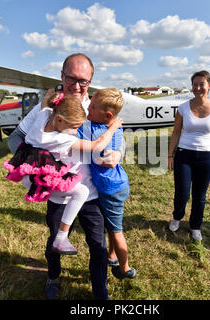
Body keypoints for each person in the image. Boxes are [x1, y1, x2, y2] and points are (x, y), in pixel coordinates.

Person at [7, 53, 122, 300]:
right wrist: (35, 163)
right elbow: (15, 137)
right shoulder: (50, 108)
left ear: (91, 80)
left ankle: (101, 292)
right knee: (55, 241)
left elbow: (117, 138)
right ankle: (53, 277)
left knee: (98, 246)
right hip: (59, 193)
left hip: (90, 192)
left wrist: (118, 154)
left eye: (84, 81)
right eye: (72, 79)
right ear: (62, 76)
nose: (78, 86)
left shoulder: (97, 107)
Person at [4, 93, 122, 256]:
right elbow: (97, 146)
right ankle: (61, 238)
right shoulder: (60, 139)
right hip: (38, 180)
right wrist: (113, 128)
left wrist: (51, 96)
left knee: (76, 191)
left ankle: (61, 237)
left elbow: (45, 103)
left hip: (29, 171)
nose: (75, 132)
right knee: (82, 192)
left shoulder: (44, 116)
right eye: (74, 127)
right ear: (59, 120)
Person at [78, 88, 136, 280]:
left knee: (116, 231)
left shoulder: (90, 130)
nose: (88, 109)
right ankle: (112, 257)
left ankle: (125, 268)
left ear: (107, 115)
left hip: (110, 189)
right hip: (120, 184)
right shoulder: (116, 127)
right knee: (112, 226)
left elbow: (72, 126)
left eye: (92, 107)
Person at [167, 70, 210, 241]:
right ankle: (177, 217)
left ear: (209, 86)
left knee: (200, 195)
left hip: (206, 156)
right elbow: (176, 132)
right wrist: (170, 155)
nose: (198, 87)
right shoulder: (183, 107)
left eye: (202, 84)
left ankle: (195, 226)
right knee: (182, 193)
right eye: (195, 84)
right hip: (184, 155)